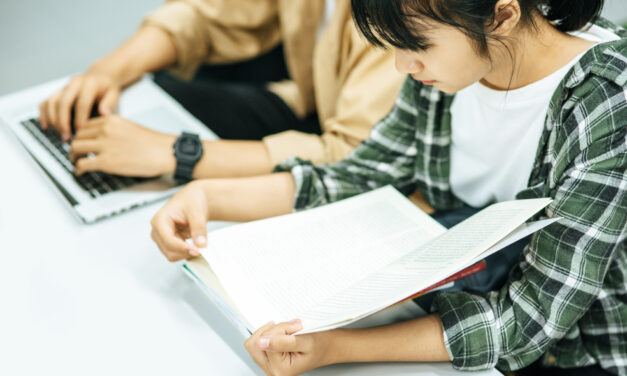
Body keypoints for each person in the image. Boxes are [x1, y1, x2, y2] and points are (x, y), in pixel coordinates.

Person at [150, 0, 627, 375]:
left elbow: (533, 318)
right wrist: (211, 197)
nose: (402, 65)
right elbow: (361, 173)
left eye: (415, 44)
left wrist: (335, 347)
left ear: (502, 15)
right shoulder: (451, 65)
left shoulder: (606, 97)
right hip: (470, 300)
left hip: (574, 351)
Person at [37, 0, 404, 180]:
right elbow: (208, 13)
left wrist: (177, 154)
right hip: (312, 102)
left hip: (371, 159)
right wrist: (106, 72)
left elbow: (359, 157)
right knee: (149, 99)